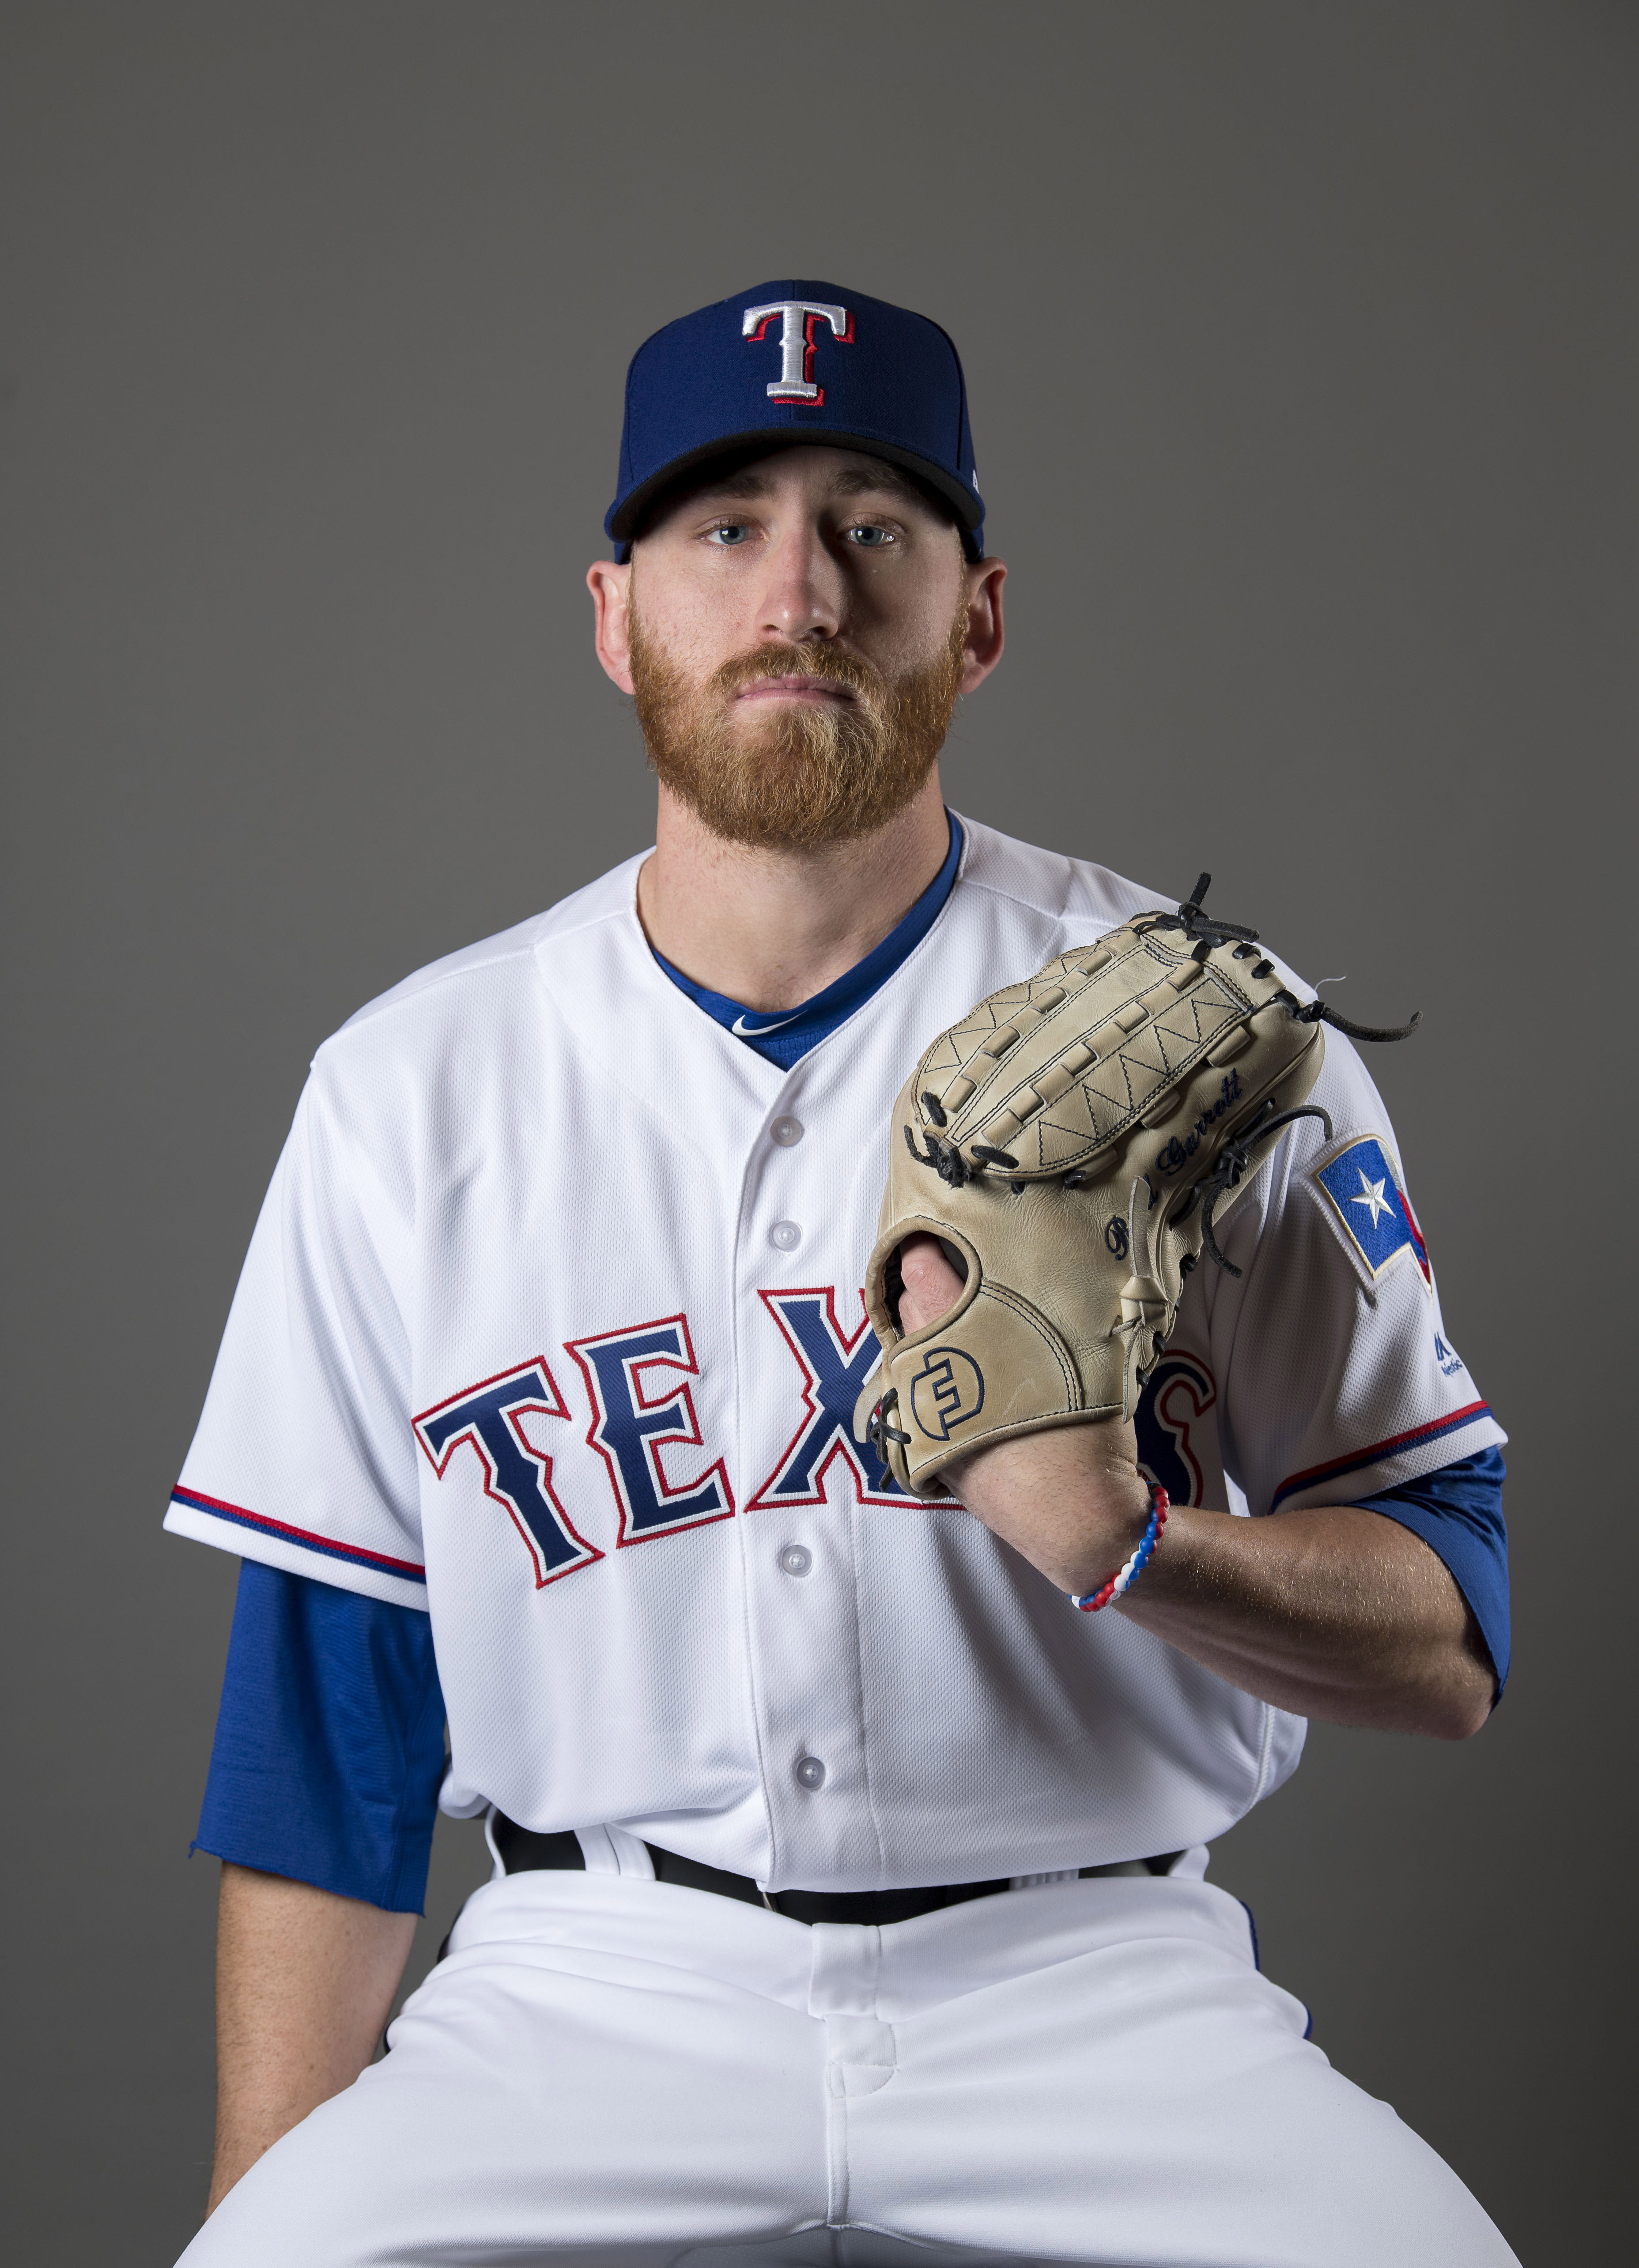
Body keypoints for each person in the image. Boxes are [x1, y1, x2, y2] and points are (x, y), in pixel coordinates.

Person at [166, 282, 1517, 2266]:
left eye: (871, 528)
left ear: (977, 610)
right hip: (585, 1990)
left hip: (1098, 1986)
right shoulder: (408, 1090)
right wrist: (259, 2221)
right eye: (724, 529)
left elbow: (1458, 1625)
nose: (796, 595)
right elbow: (327, 1748)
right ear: (616, 611)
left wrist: (1138, 1547)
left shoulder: (1225, 1055)